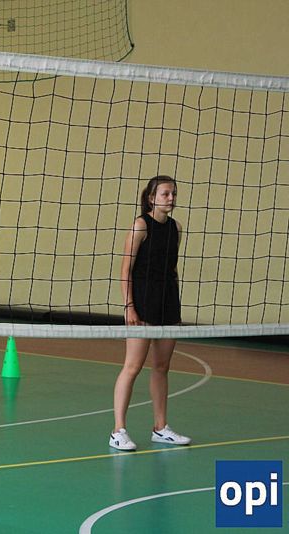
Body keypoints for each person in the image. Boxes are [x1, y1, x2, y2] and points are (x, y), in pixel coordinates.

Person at [110, 175, 191, 451]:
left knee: (162, 367)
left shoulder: (176, 228)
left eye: (173, 194)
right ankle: (118, 430)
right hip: (143, 303)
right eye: (165, 194)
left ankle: (160, 428)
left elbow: (171, 269)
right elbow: (125, 270)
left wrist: (174, 305)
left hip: (168, 303)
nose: (171, 198)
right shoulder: (140, 225)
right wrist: (129, 306)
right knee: (132, 366)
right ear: (151, 198)